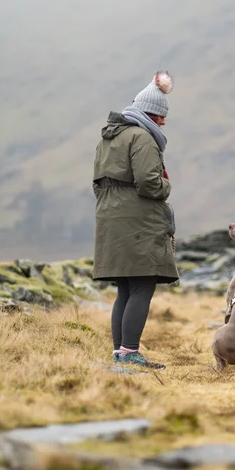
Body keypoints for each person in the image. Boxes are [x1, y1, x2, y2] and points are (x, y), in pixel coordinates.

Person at [92, 70, 179, 369]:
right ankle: (129, 353)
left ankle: (120, 353)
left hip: (110, 218)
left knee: (126, 288)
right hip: (138, 222)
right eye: (160, 116)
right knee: (142, 285)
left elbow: (98, 184)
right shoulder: (142, 137)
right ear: (149, 113)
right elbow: (149, 183)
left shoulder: (107, 139)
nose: (163, 122)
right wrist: (167, 185)